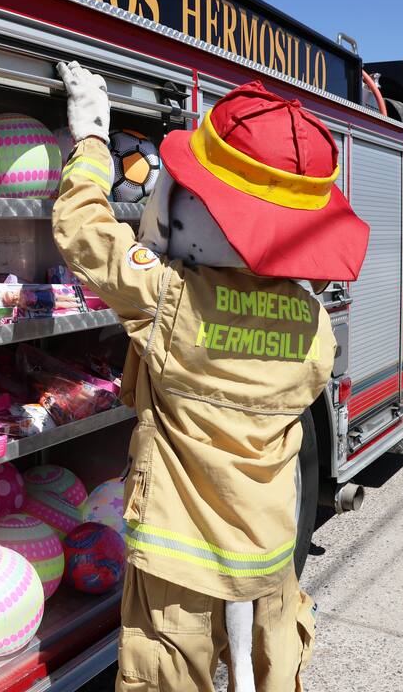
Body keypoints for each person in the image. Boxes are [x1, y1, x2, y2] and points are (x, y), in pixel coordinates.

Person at [51, 61, 370, 691]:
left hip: (178, 565)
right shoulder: (314, 325)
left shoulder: (168, 296)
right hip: (271, 556)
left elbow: (83, 229)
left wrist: (91, 139)